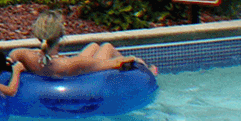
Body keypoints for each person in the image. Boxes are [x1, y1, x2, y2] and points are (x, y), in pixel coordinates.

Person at [10, 10, 156, 77]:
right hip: (75, 73)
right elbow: (116, 63)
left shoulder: (25, 55)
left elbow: (11, 57)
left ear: (38, 35)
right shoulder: (73, 63)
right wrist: (137, 61)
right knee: (107, 47)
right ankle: (150, 72)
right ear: (61, 35)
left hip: (55, 67)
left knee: (93, 46)